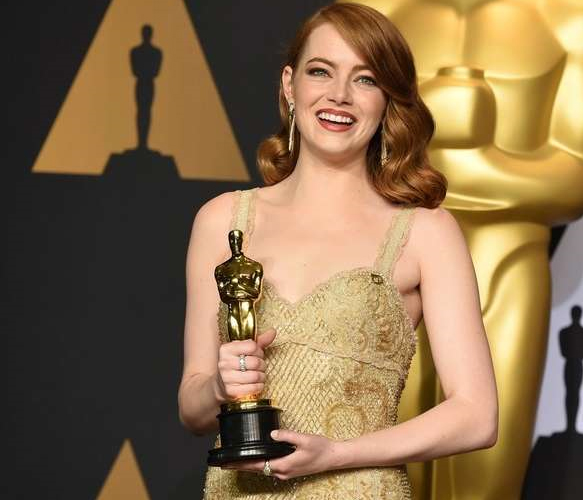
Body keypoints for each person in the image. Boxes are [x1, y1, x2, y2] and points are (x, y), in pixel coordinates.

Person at [178, 4, 497, 499]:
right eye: (321, 71)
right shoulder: (223, 221)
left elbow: (476, 416)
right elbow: (193, 409)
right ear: (290, 85)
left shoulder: (424, 233)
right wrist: (222, 387)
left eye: (365, 79)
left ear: (388, 100)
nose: (339, 95)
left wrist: (337, 454)